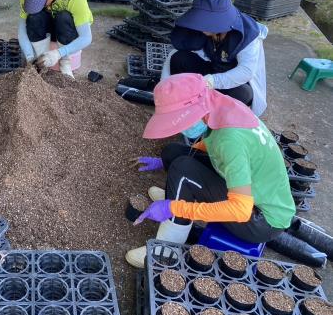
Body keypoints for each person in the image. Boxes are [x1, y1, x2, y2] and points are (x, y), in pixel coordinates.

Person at [125, 73, 295, 268]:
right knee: (174, 153)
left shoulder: (230, 141)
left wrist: (173, 208)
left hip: (261, 219)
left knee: (184, 171)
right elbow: (215, 144)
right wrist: (162, 162)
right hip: (256, 192)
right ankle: (179, 195)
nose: (178, 127)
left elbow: (240, 210)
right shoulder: (222, 105)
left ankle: (165, 251)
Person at [164, 0, 268, 116]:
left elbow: (246, 71)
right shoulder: (204, 30)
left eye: (206, 20)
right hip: (212, 69)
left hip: (231, 80)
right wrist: (166, 90)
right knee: (179, 58)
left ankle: (215, 115)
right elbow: (181, 49)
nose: (201, 25)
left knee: (244, 93)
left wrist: (212, 81)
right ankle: (186, 103)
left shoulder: (248, 34)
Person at [18, 0, 93, 78]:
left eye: (41, 2)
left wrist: (58, 53)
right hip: (50, 29)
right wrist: (30, 58)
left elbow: (86, 37)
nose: (39, 6)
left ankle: (65, 64)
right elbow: (21, 31)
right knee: (34, 16)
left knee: (63, 16)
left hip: (69, 30)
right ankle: (41, 62)